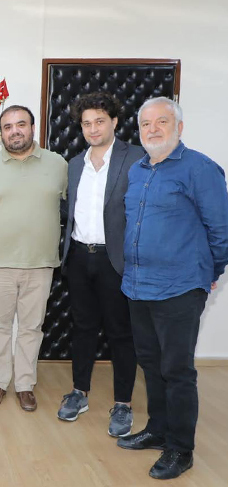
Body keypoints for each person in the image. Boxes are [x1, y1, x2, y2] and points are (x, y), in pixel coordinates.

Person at [116, 97, 228, 480]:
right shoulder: (138, 170)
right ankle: (158, 430)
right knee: (151, 363)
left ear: (179, 127)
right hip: (137, 286)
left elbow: (221, 231)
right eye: (146, 124)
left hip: (180, 288)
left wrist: (207, 273)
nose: (153, 129)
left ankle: (181, 449)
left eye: (161, 122)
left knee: (177, 370)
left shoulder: (200, 169)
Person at [0, 105, 67, 412]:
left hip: (40, 263)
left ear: (33, 127)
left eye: (21, 124)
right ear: (1, 133)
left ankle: (24, 385)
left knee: (31, 328)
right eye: (7, 127)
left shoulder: (58, 164)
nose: (14, 131)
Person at [57, 92, 144, 437]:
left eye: (99, 121)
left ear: (114, 122)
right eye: (86, 123)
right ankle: (79, 392)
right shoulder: (75, 164)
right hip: (80, 257)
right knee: (82, 328)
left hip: (115, 259)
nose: (93, 129)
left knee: (121, 332)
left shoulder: (135, 158)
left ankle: (123, 404)